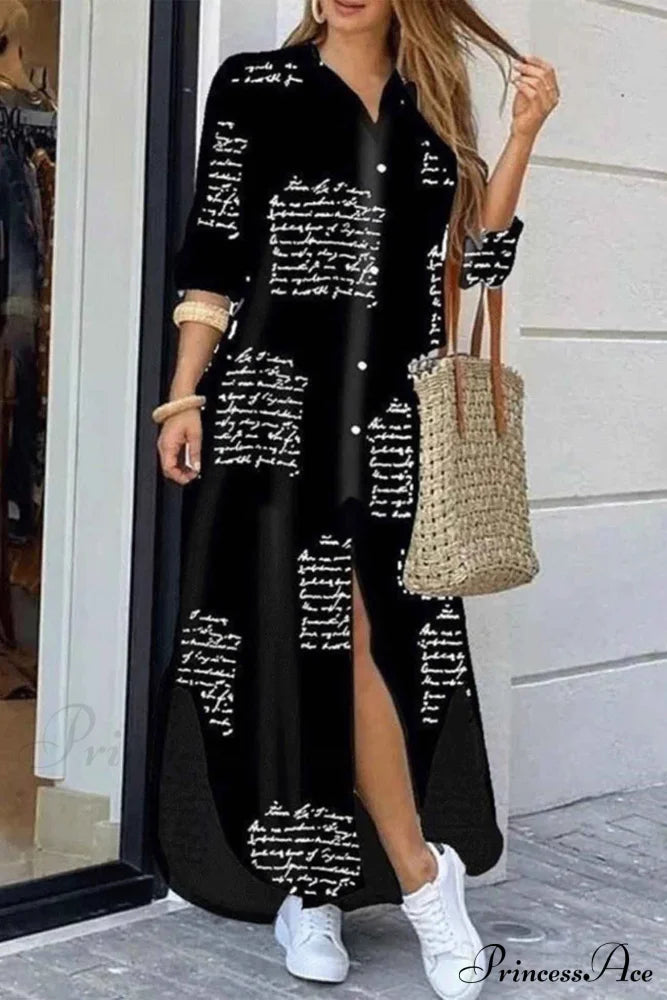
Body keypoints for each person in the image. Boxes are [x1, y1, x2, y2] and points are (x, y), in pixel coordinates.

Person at [151, 2, 559, 997]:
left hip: (390, 428)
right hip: (270, 413)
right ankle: (355, 885)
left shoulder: (432, 106)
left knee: (369, 644)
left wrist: (523, 133)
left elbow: (474, 260)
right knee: (298, 646)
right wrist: (184, 393)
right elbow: (214, 253)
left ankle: (382, 878)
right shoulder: (255, 87)